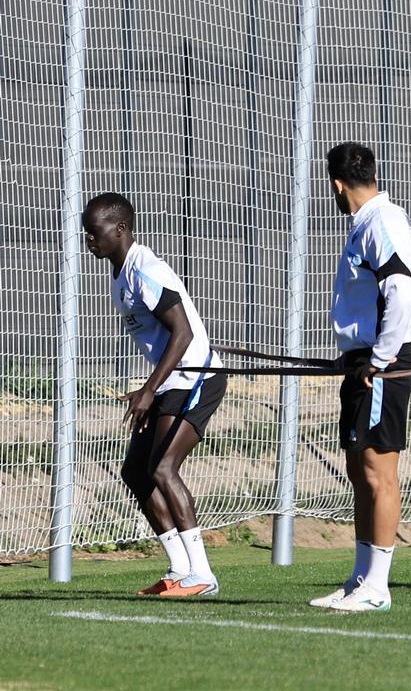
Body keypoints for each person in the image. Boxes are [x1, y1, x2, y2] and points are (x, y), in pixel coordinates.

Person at [82, 192, 226, 597]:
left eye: (95, 233)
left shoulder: (144, 269)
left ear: (120, 229)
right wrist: (151, 388)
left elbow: (184, 332)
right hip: (171, 381)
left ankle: (202, 574)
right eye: (86, 234)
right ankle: (180, 569)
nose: (89, 241)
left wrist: (148, 390)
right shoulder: (120, 275)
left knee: (163, 468)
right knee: (135, 470)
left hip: (197, 377)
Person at [309, 142, 411, 613]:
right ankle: (359, 579)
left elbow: (401, 290)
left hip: (382, 367)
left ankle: (378, 587)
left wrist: (379, 359)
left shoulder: (383, 222)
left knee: (379, 474)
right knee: (359, 472)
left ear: (337, 183)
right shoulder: (363, 225)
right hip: (361, 362)